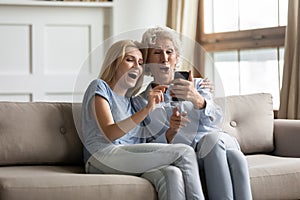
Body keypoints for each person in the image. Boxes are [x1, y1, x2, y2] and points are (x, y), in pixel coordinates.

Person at [133, 26, 253, 200]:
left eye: (169, 52)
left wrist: (198, 100)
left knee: (212, 139)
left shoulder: (197, 85)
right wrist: (169, 133)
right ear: (148, 61)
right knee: (236, 158)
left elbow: (217, 120)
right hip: (191, 157)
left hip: (218, 144)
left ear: (176, 58)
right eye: (157, 53)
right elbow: (146, 143)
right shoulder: (142, 101)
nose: (165, 59)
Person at [81, 40, 205, 200]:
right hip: (101, 155)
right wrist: (146, 110)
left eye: (140, 63)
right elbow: (109, 133)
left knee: (171, 173)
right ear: (114, 62)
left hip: (128, 157)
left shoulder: (131, 102)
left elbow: (142, 142)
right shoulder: (99, 87)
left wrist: (171, 131)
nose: (136, 67)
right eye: (129, 59)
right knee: (184, 152)